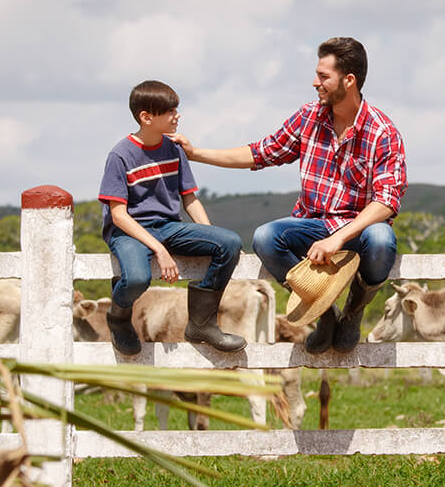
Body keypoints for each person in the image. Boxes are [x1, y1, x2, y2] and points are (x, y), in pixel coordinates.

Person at [170, 37, 407, 354]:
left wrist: (337, 239)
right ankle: (325, 313)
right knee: (266, 237)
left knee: (381, 239)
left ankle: (352, 311)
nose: (315, 82)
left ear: (348, 80)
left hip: (359, 230)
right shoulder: (309, 117)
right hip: (313, 226)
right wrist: (195, 153)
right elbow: (260, 153)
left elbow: (386, 201)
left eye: (324, 76)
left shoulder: (382, 131)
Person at [98, 79, 248, 355]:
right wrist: (160, 250)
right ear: (146, 117)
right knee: (136, 279)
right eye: (170, 111)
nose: (177, 116)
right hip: (130, 230)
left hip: (168, 226)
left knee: (228, 243)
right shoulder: (120, 155)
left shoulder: (174, 149)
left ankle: (201, 323)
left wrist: (209, 235)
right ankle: (118, 317)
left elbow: (189, 198)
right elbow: (118, 215)